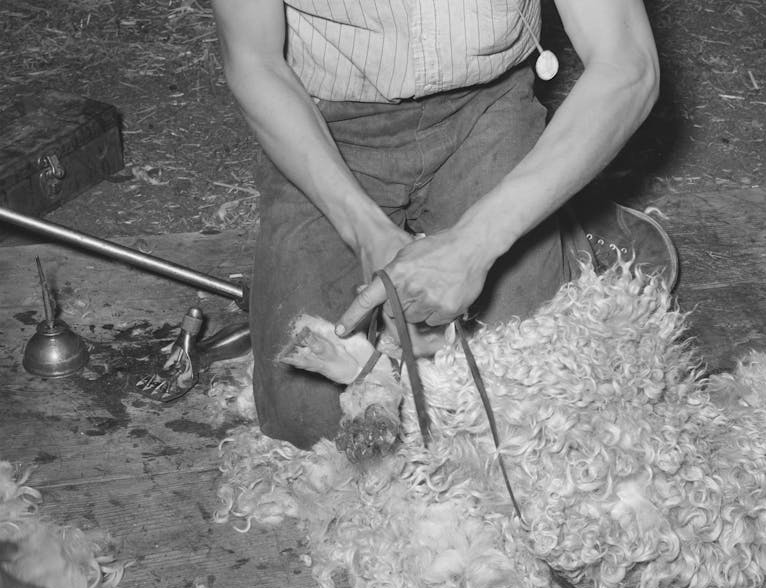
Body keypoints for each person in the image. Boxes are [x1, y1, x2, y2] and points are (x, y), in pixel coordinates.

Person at [212, 0, 660, 449]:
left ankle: (548, 208)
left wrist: (471, 246)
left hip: (488, 106)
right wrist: (365, 231)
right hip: (324, 122)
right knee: (312, 423)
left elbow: (628, 64)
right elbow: (255, 61)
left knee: (531, 396)